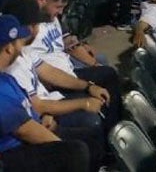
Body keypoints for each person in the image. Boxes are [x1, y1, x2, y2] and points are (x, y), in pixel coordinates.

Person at [0, 14, 91, 172]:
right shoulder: (3, 89)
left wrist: (44, 116)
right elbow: (26, 131)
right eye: (19, 42)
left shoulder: (5, 78)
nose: (22, 47)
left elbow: (27, 107)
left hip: (31, 130)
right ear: (9, 48)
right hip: (9, 154)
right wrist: (63, 146)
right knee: (76, 151)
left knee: (88, 139)